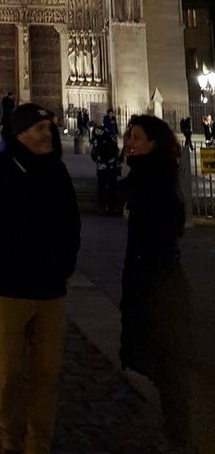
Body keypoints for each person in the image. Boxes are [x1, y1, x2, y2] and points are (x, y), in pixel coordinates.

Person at [0, 103, 81, 454]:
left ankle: (38, 445)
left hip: (50, 291)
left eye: (49, 128)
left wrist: (64, 267)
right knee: (10, 375)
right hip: (10, 290)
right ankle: (9, 441)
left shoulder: (57, 171)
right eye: (40, 128)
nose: (48, 134)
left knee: (47, 375)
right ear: (20, 133)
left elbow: (72, 226)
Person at [120, 115, 194, 453]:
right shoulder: (145, 178)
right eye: (129, 136)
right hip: (150, 284)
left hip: (158, 288)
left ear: (153, 144)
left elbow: (161, 238)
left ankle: (181, 440)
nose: (129, 143)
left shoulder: (156, 184)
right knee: (163, 366)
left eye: (136, 137)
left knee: (166, 367)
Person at [91, 124, 121, 215]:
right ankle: (111, 207)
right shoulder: (109, 137)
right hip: (112, 165)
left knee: (102, 186)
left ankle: (102, 207)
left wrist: (98, 160)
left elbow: (94, 154)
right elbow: (116, 151)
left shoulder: (96, 138)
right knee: (112, 186)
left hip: (102, 166)